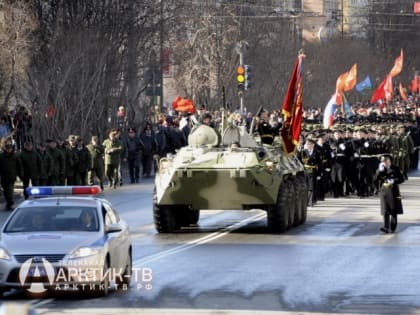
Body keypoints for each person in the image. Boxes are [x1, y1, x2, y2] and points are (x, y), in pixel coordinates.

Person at [375, 154, 405, 234]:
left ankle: (393, 227)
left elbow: (402, 179)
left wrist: (394, 181)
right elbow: (375, 179)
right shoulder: (381, 170)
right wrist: (379, 171)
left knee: (394, 211)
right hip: (384, 192)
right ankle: (386, 227)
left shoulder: (395, 168)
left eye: (386, 160)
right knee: (385, 211)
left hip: (393, 191)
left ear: (390, 161)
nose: (385, 162)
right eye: (383, 161)